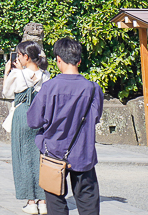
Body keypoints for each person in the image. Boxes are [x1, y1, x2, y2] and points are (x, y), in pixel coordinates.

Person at [27, 38, 104, 215]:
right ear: (79, 60)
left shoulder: (49, 87)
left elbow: (33, 121)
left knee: (55, 204)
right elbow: (95, 117)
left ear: (58, 59)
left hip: (53, 152)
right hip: (83, 153)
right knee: (88, 205)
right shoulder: (93, 89)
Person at [5, 41, 51, 215]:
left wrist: (7, 72)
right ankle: (43, 200)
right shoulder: (45, 75)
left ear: (25, 56)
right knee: (40, 157)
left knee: (22, 156)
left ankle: (30, 202)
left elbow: (7, 94)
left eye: (19, 54)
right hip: (40, 116)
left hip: (22, 114)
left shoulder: (17, 75)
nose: (17, 57)